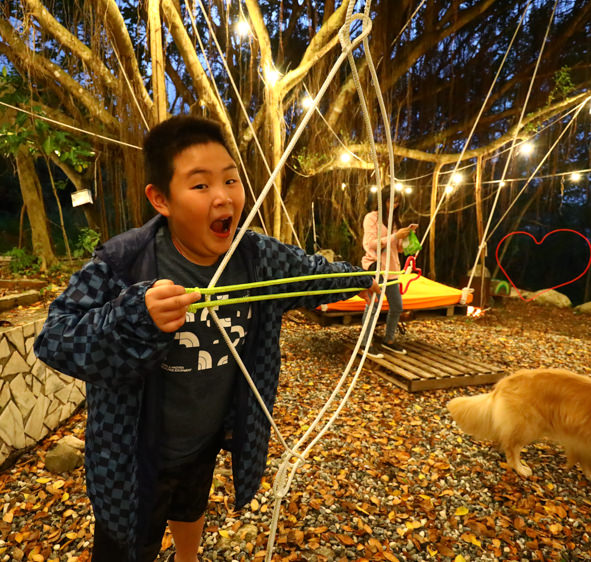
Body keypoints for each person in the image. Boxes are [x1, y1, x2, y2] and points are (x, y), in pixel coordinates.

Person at [34, 115, 378, 562]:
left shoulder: (255, 255)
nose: (223, 196)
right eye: (200, 186)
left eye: (231, 180)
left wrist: (360, 279)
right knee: (125, 538)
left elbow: (310, 276)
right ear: (161, 199)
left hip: (206, 432)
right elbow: (55, 338)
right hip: (133, 451)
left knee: (191, 501)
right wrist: (135, 316)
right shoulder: (123, 261)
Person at [360, 186, 418, 355]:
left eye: (397, 202)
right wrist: (395, 236)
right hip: (376, 269)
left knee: (397, 306)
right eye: (391, 201)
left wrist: (407, 238)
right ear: (383, 200)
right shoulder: (372, 218)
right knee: (372, 307)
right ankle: (365, 343)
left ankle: (389, 339)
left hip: (392, 270)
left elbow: (398, 249)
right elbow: (370, 243)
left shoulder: (394, 221)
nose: (394, 205)